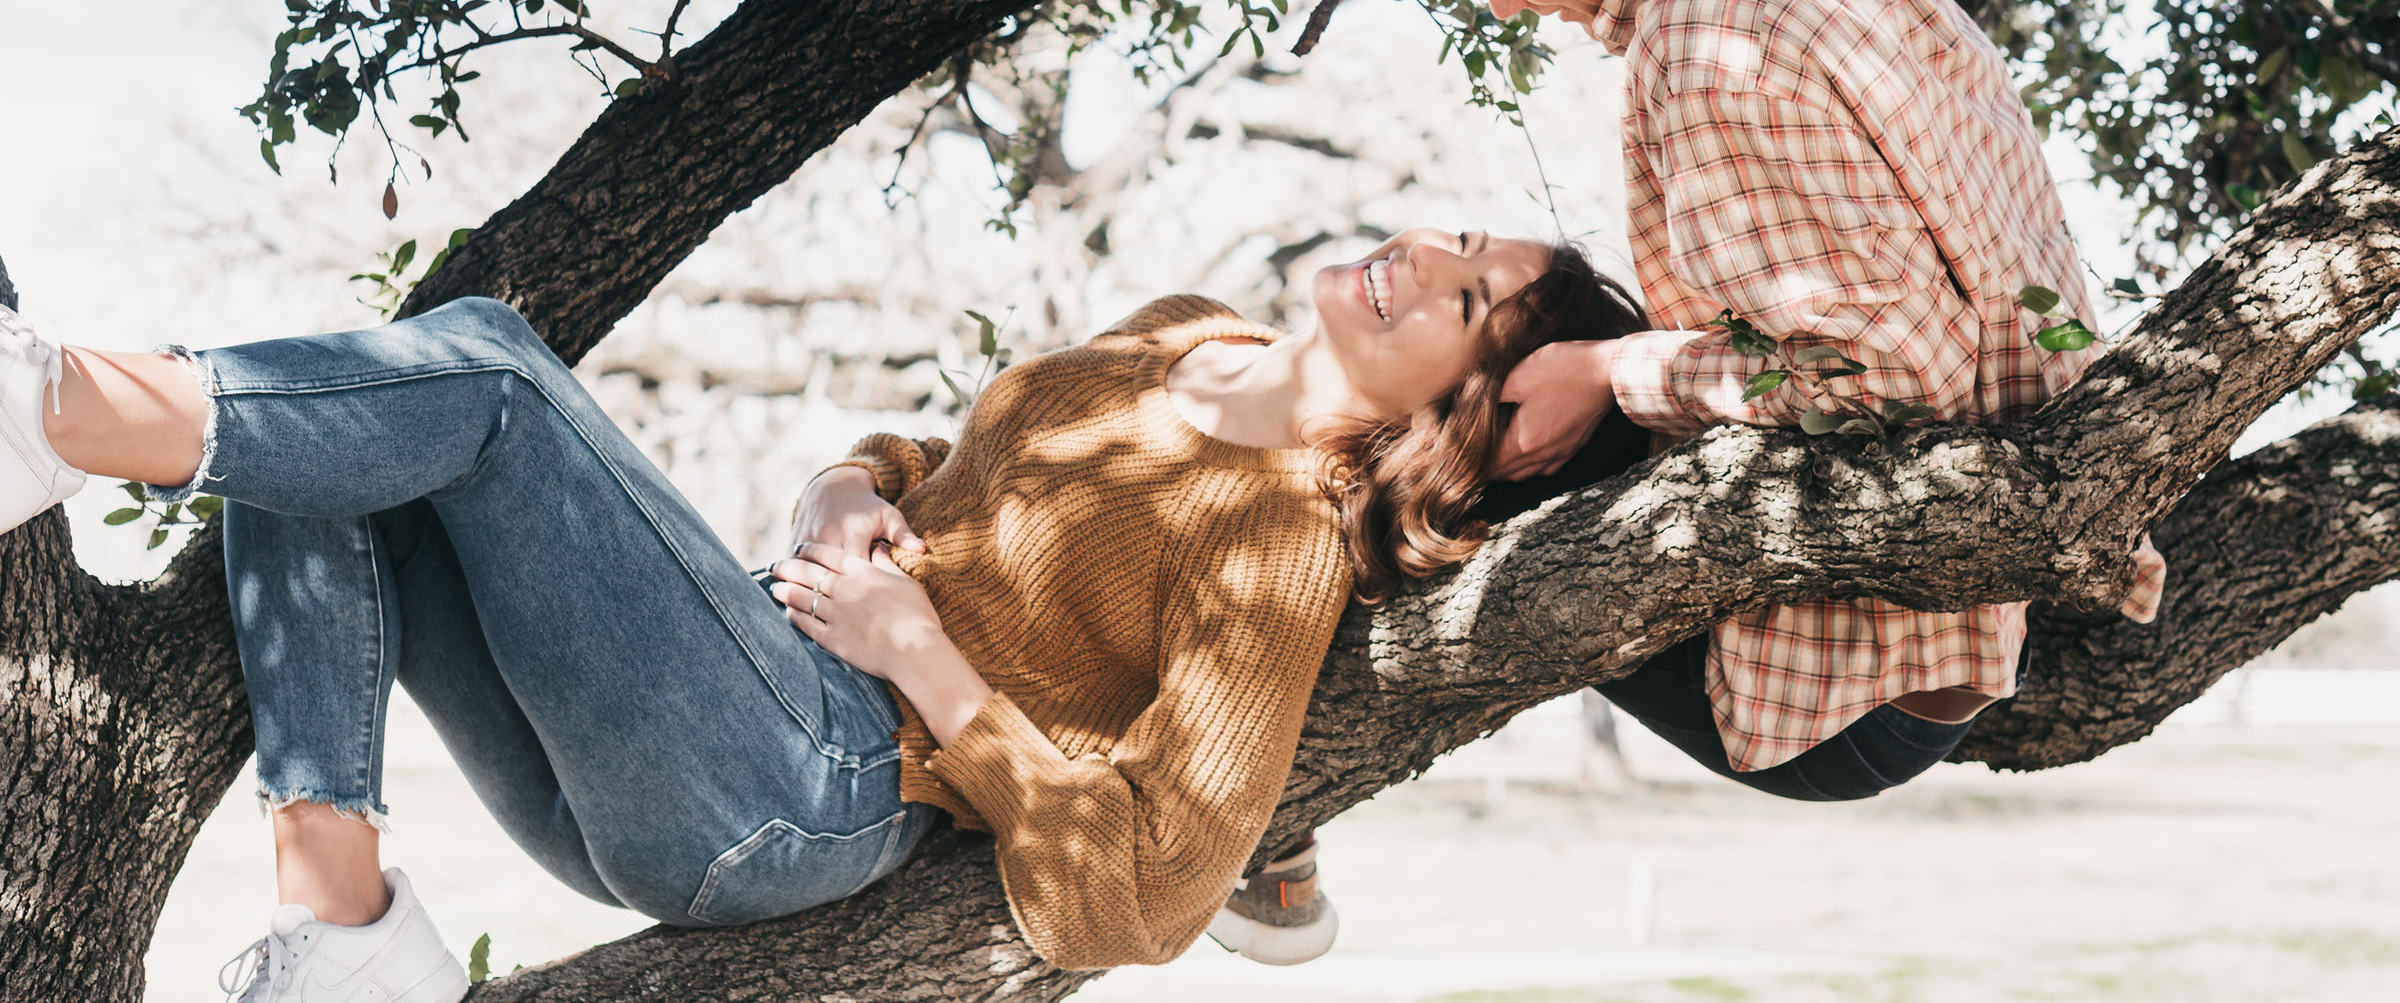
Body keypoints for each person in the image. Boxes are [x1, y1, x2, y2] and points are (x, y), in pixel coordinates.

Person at [0, 226, 1643, 999]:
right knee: (343, 437)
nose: (1426, 258)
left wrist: (918, 654)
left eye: (1473, 301)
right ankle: (345, 946)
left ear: (1460, 406)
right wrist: (845, 492)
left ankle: (46, 408)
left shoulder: (1284, 546)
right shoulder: (1186, 332)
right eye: (1463, 239)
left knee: (486, 361)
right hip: (730, 711)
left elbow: (1142, 896)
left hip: (811, 791)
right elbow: (954, 460)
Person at [1323, 0, 2167, 806]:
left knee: (1435, 440)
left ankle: (1240, 790)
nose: (1509, 6)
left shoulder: (1712, 53)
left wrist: (1613, 377)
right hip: (1988, 557)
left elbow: (1884, 383)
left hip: (1854, 691)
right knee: (1528, 329)